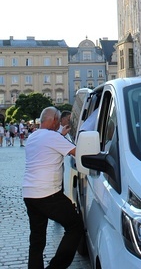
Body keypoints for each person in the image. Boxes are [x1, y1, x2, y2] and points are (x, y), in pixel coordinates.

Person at [22, 106, 84, 269]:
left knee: (37, 239)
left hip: (29, 194)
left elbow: (49, 141)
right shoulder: (53, 138)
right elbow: (78, 152)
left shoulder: (33, 136)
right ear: (55, 120)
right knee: (75, 226)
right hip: (48, 194)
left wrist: (60, 135)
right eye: (58, 122)